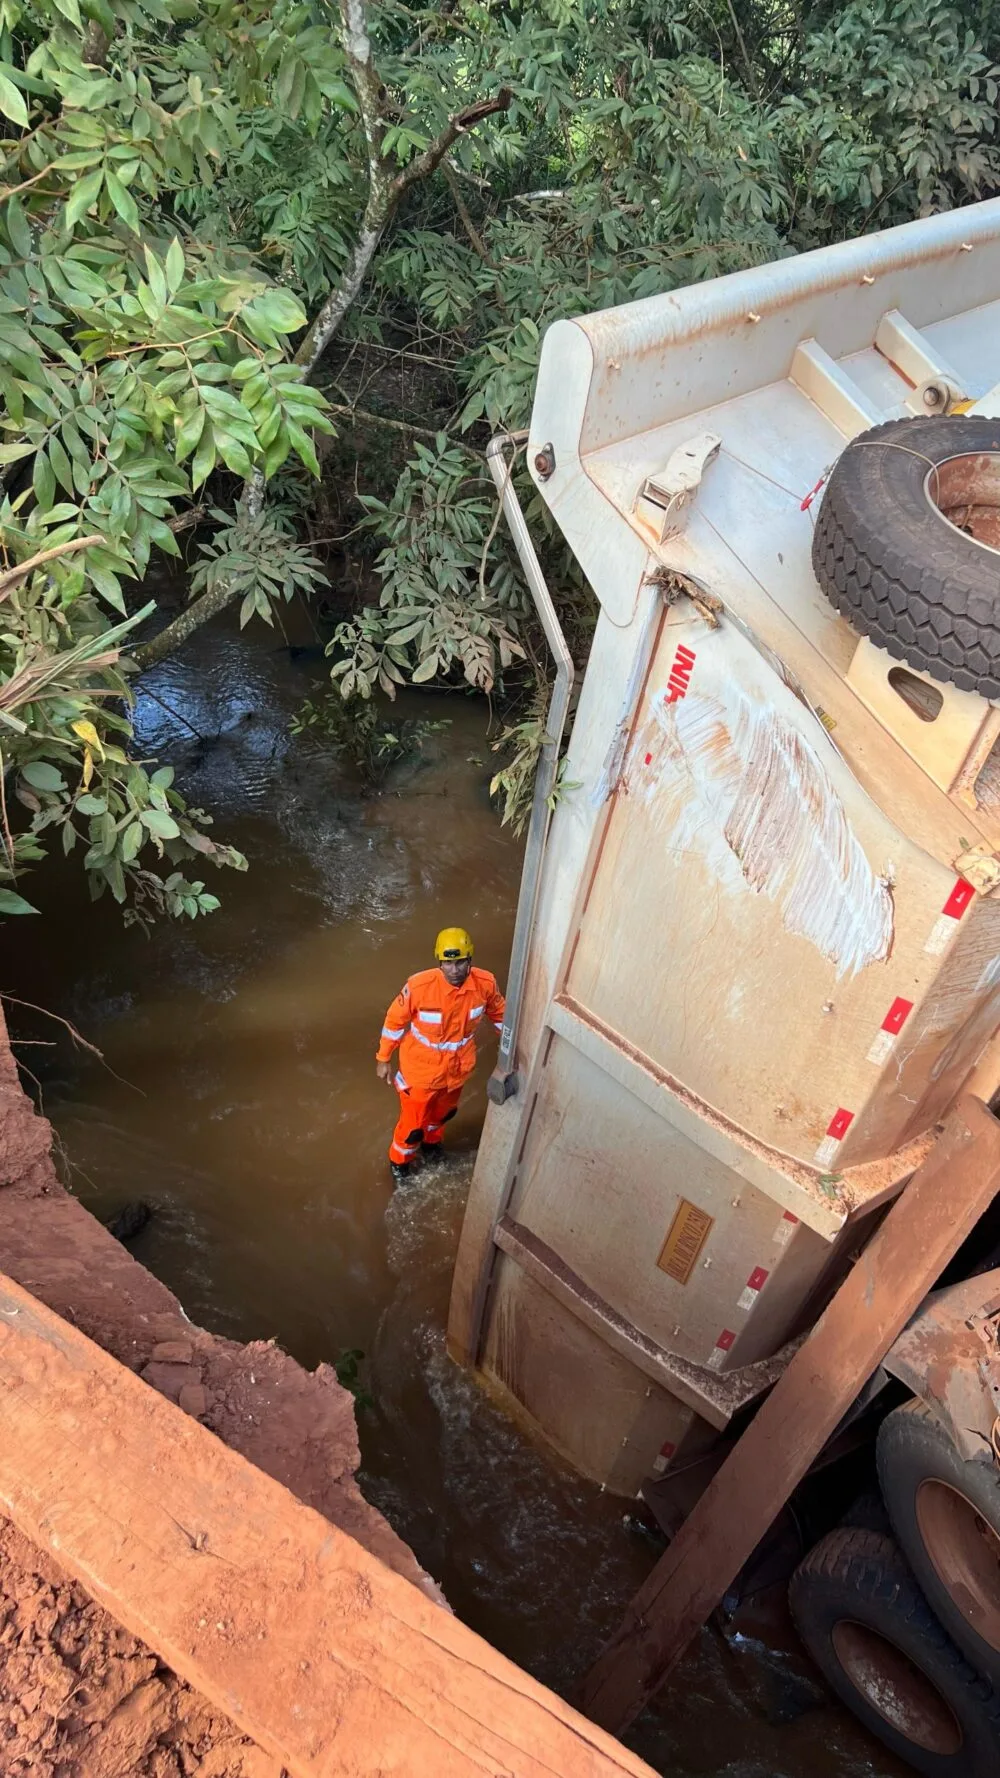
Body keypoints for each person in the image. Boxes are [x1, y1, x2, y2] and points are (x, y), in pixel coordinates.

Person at [376, 927, 506, 1182]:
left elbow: (501, 1015)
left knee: (442, 1115)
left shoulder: (485, 984)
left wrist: (514, 1050)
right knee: (412, 1126)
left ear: (470, 960)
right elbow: (394, 1022)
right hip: (421, 1071)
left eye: (460, 962)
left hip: (456, 1070)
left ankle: (432, 1146)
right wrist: (383, 1059)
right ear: (439, 962)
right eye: (448, 963)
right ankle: (400, 1164)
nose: (454, 969)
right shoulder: (418, 987)